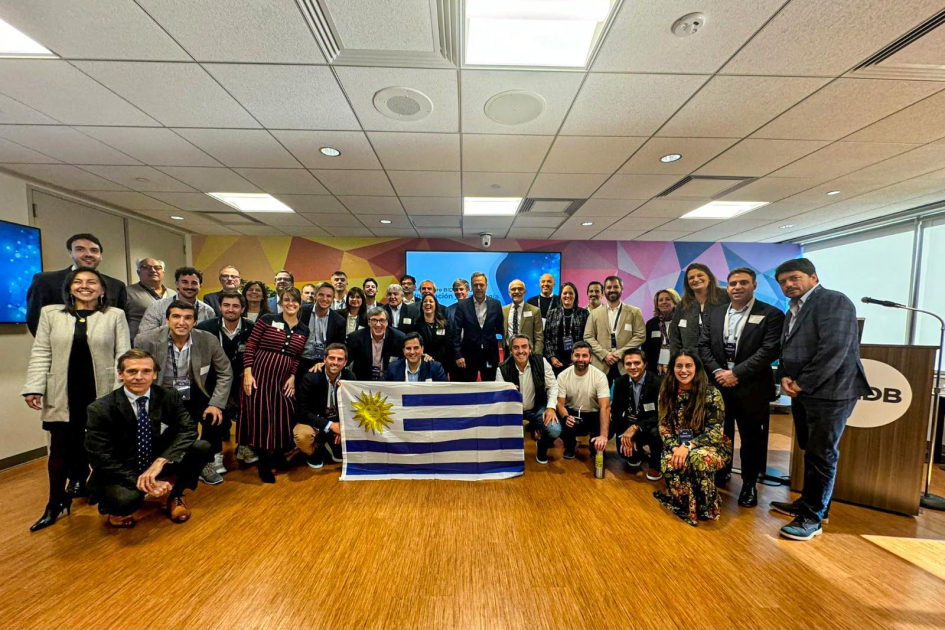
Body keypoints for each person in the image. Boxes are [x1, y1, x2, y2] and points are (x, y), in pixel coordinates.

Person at [22, 268, 130, 532]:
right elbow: (41, 352)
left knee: (104, 447)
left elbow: (123, 355)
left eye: (92, 282)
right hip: (63, 392)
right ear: (69, 288)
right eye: (78, 282)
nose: (85, 286)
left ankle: (105, 495)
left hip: (101, 392)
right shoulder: (51, 314)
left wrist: (120, 394)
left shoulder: (115, 315)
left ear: (102, 290)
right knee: (59, 450)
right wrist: (34, 387)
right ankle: (55, 502)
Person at [770, 258, 870, 541]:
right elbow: (788, 348)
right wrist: (785, 376)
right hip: (803, 391)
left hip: (831, 392)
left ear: (813, 277)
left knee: (822, 453)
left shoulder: (834, 301)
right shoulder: (793, 310)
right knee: (810, 449)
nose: (788, 284)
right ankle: (809, 502)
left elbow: (834, 349)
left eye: (794, 278)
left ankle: (813, 517)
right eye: (783, 281)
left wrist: (802, 382)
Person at [85, 349, 212, 528]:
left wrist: (161, 461)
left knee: (201, 447)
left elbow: (188, 430)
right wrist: (142, 481)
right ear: (120, 374)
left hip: (155, 461)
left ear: (154, 375)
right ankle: (118, 510)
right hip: (121, 470)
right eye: (132, 371)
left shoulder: (169, 396)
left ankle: (175, 495)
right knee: (125, 500)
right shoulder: (99, 409)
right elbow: (100, 457)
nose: (139, 377)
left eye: (146, 371)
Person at [699, 267, 785, 507]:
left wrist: (736, 373)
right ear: (727, 287)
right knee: (720, 433)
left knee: (751, 438)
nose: (737, 287)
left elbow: (769, 350)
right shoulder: (715, 313)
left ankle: (749, 485)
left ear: (754, 285)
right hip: (719, 385)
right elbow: (703, 345)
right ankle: (721, 472)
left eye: (743, 283)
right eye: (733, 283)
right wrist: (718, 372)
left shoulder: (771, 314)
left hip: (751, 387)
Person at [133, 300, 233, 486]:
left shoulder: (207, 340)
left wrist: (216, 404)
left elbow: (225, 371)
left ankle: (205, 461)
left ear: (195, 322)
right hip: (159, 391)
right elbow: (136, 371)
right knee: (159, 428)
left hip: (193, 388)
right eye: (176, 317)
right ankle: (158, 463)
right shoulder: (146, 340)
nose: (182, 322)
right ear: (167, 320)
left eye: (188, 318)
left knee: (216, 418)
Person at [653, 351, 731, 527]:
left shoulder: (711, 393)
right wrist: (675, 448)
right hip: (678, 445)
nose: (683, 370)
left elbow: (715, 432)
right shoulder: (666, 392)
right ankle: (684, 504)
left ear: (696, 368)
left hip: (710, 445)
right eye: (679, 366)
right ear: (672, 369)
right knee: (669, 460)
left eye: (688, 365)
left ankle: (705, 505)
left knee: (697, 458)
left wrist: (687, 446)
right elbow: (664, 426)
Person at [241, 287, 310, 483]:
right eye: (286, 300)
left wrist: (292, 376)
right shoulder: (267, 320)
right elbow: (251, 346)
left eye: (294, 300)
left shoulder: (303, 329)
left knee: (282, 417)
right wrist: (248, 372)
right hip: (260, 377)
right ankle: (263, 464)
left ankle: (278, 456)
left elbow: (297, 357)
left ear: (300, 304)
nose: (290, 303)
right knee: (262, 419)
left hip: (282, 380)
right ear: (280, 302)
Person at [196, 291, 256, 476]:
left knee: (250, 411)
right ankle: (213, 455)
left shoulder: (252, 328)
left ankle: (244, 445)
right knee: (213, 414)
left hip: (242, 379)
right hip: (214, 380)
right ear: (220, 307)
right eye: (226, 305)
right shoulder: (205, 328)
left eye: (235, 306)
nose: (231, 309)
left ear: (242, 309)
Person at [26, 233, 128, 336]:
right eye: (80, 249)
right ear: (70, 253)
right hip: (60, 344)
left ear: (101, 256)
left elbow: (121, 323)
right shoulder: (46, 281)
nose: (88, 254)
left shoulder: (116, 286)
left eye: (94, 250)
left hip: (104, 344)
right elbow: (35, 319)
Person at [497, 335, 559, 464]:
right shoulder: (502, 368)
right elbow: (498, 396)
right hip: (513, 411)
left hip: (537, 408)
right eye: (516, 347)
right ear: (510, 351)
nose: (521, 351)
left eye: (524, 347)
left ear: (530, 349)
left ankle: (541, 446)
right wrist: (507, 391)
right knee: (499, 430)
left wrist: (551, 408)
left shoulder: (542, 362)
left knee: (555, 430)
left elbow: (553, 386)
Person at [294, 343, 353, 469]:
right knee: (303, 436)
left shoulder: (350, 377)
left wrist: (342, 426)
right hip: (315, 420)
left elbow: (352, 408)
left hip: (337, 420)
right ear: (324, 359)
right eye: (332, 358)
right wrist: (331, 425)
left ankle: (328, 445)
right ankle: (313, 453)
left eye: (340, 359)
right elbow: (302, 412)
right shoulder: (310, 378)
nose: (335, 362)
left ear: (345, 362)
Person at [556, 341, 612, 462]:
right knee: (556, 421)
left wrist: (603, 436)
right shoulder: (562, 376)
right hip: (572, 414)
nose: (580, 359)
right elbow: (560, 404)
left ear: (590, 358)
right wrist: (566, 417)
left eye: (584, 356)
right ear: (572, 357)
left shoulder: (600, 376)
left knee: (610, 421)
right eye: (577, 355)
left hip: (594, 414)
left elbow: (605, 407)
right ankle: (571, 444)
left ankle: (595, 443)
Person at [584, 275, 646, 383]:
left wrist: (620, 353)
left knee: (626, 393)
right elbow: (588, 337)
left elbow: (640, 336)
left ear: (622, 289)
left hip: (625, 364)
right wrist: (604, 354)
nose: (612, 290)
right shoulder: (594, 314)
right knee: (600, 394)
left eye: (615, 287)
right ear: (604, 291)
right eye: (609, 287)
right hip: (601, 364)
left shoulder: (634, 312)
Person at [613, 350, 663, 481]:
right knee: (625, 454)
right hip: (629, 424)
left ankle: (655, 465)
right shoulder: (620, 382)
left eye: (637, 363)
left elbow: (659, 415)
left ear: (645, 364)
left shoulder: (658, 383)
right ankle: (639, 454)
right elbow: (616, 412)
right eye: (628, 364)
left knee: (656, 433)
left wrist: (636, 428)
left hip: (650, 425)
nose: (633, 367)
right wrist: (627, 433)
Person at [136, 266, 214, 339]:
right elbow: (143, 336)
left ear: (200, 286)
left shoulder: (208, 311)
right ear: (177, 284)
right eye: (184, 282)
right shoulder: (157, 307)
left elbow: (211, 339)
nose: (189, 287)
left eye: (194, 283)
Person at [452, 271, 503, 382]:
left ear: (486, 286)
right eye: (475, 285)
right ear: (471, 287)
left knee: (490, 386)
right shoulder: (462, 305)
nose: (479, 288)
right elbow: (456, 332)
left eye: (481, 285)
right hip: (469, 355)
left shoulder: (496, 304)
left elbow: (500, 328)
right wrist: (458, 355)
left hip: (490, 354)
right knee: (468, 387)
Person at [670, 263, 729, 357]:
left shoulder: (725, 296)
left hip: (721, 358)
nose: (696, 279)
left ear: (709, 278)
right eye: (691, 278)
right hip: (691, 360)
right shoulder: (683, 304)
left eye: (700, 275)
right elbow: (674, 335)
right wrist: (677, 357)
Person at [298, 282, 346, 375]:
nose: (324, 299)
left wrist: (325, 363)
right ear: (315, 296)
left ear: (333, 299)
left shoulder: (339, 320)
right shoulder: (301, 312)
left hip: (324, 363)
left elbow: (339, 347)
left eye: (328, 296)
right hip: (301, 360)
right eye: (321, 295)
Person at [346, 307, 406, 381]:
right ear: (369, 322)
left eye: (382, 320)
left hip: (389, 380)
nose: (378, 324)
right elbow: (345, 361)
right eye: (374, 320)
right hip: (362, 381)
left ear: (387, 322)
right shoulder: (355, 338)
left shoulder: (399, 338)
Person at [543, 282, 589, 376]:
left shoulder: (584, 313)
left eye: (571, 293)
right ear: (560, 295)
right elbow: (547, 338)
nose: (567, 296)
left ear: (575, 296)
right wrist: (552, 357)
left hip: (578, 360)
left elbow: (587, 338)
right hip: (556, 361)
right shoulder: (552, 313)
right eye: (565, 293)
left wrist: (579, 358)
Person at [125, 257, 176, 341]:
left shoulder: (173, 294)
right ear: (138, 272)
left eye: (157, 268)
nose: (152, 270)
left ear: (163, 272)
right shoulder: (127, 292)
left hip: (169, 343)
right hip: (139, 344)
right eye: (146, 267)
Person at [643, 289, 679, 376]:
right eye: (660, 300)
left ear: (675, 301)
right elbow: (646, 348)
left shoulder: (682, 321)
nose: (664, 302)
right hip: (656, 369)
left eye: (668, 299)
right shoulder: (651, 323)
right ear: (657, 304)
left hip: (679, 365)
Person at [415, 293, 455, 372]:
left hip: (442, 362)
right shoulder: (416, 324)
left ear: (436, 305)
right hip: (423, 361)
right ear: (422, 306)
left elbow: (448, 343)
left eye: (431, 301)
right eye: (425, 301)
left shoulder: (444, 324)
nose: (428, 303)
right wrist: (424, 355)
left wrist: (434, 357)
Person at [503, 279, 544, 355]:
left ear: (524, 292)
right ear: (509, 293)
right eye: (513, 289)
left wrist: (536, 356)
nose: (516, 291)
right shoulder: (503, 311)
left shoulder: (535, 311)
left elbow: (539, 337)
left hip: (527, 354)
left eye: (520, 289)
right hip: (508, 352)